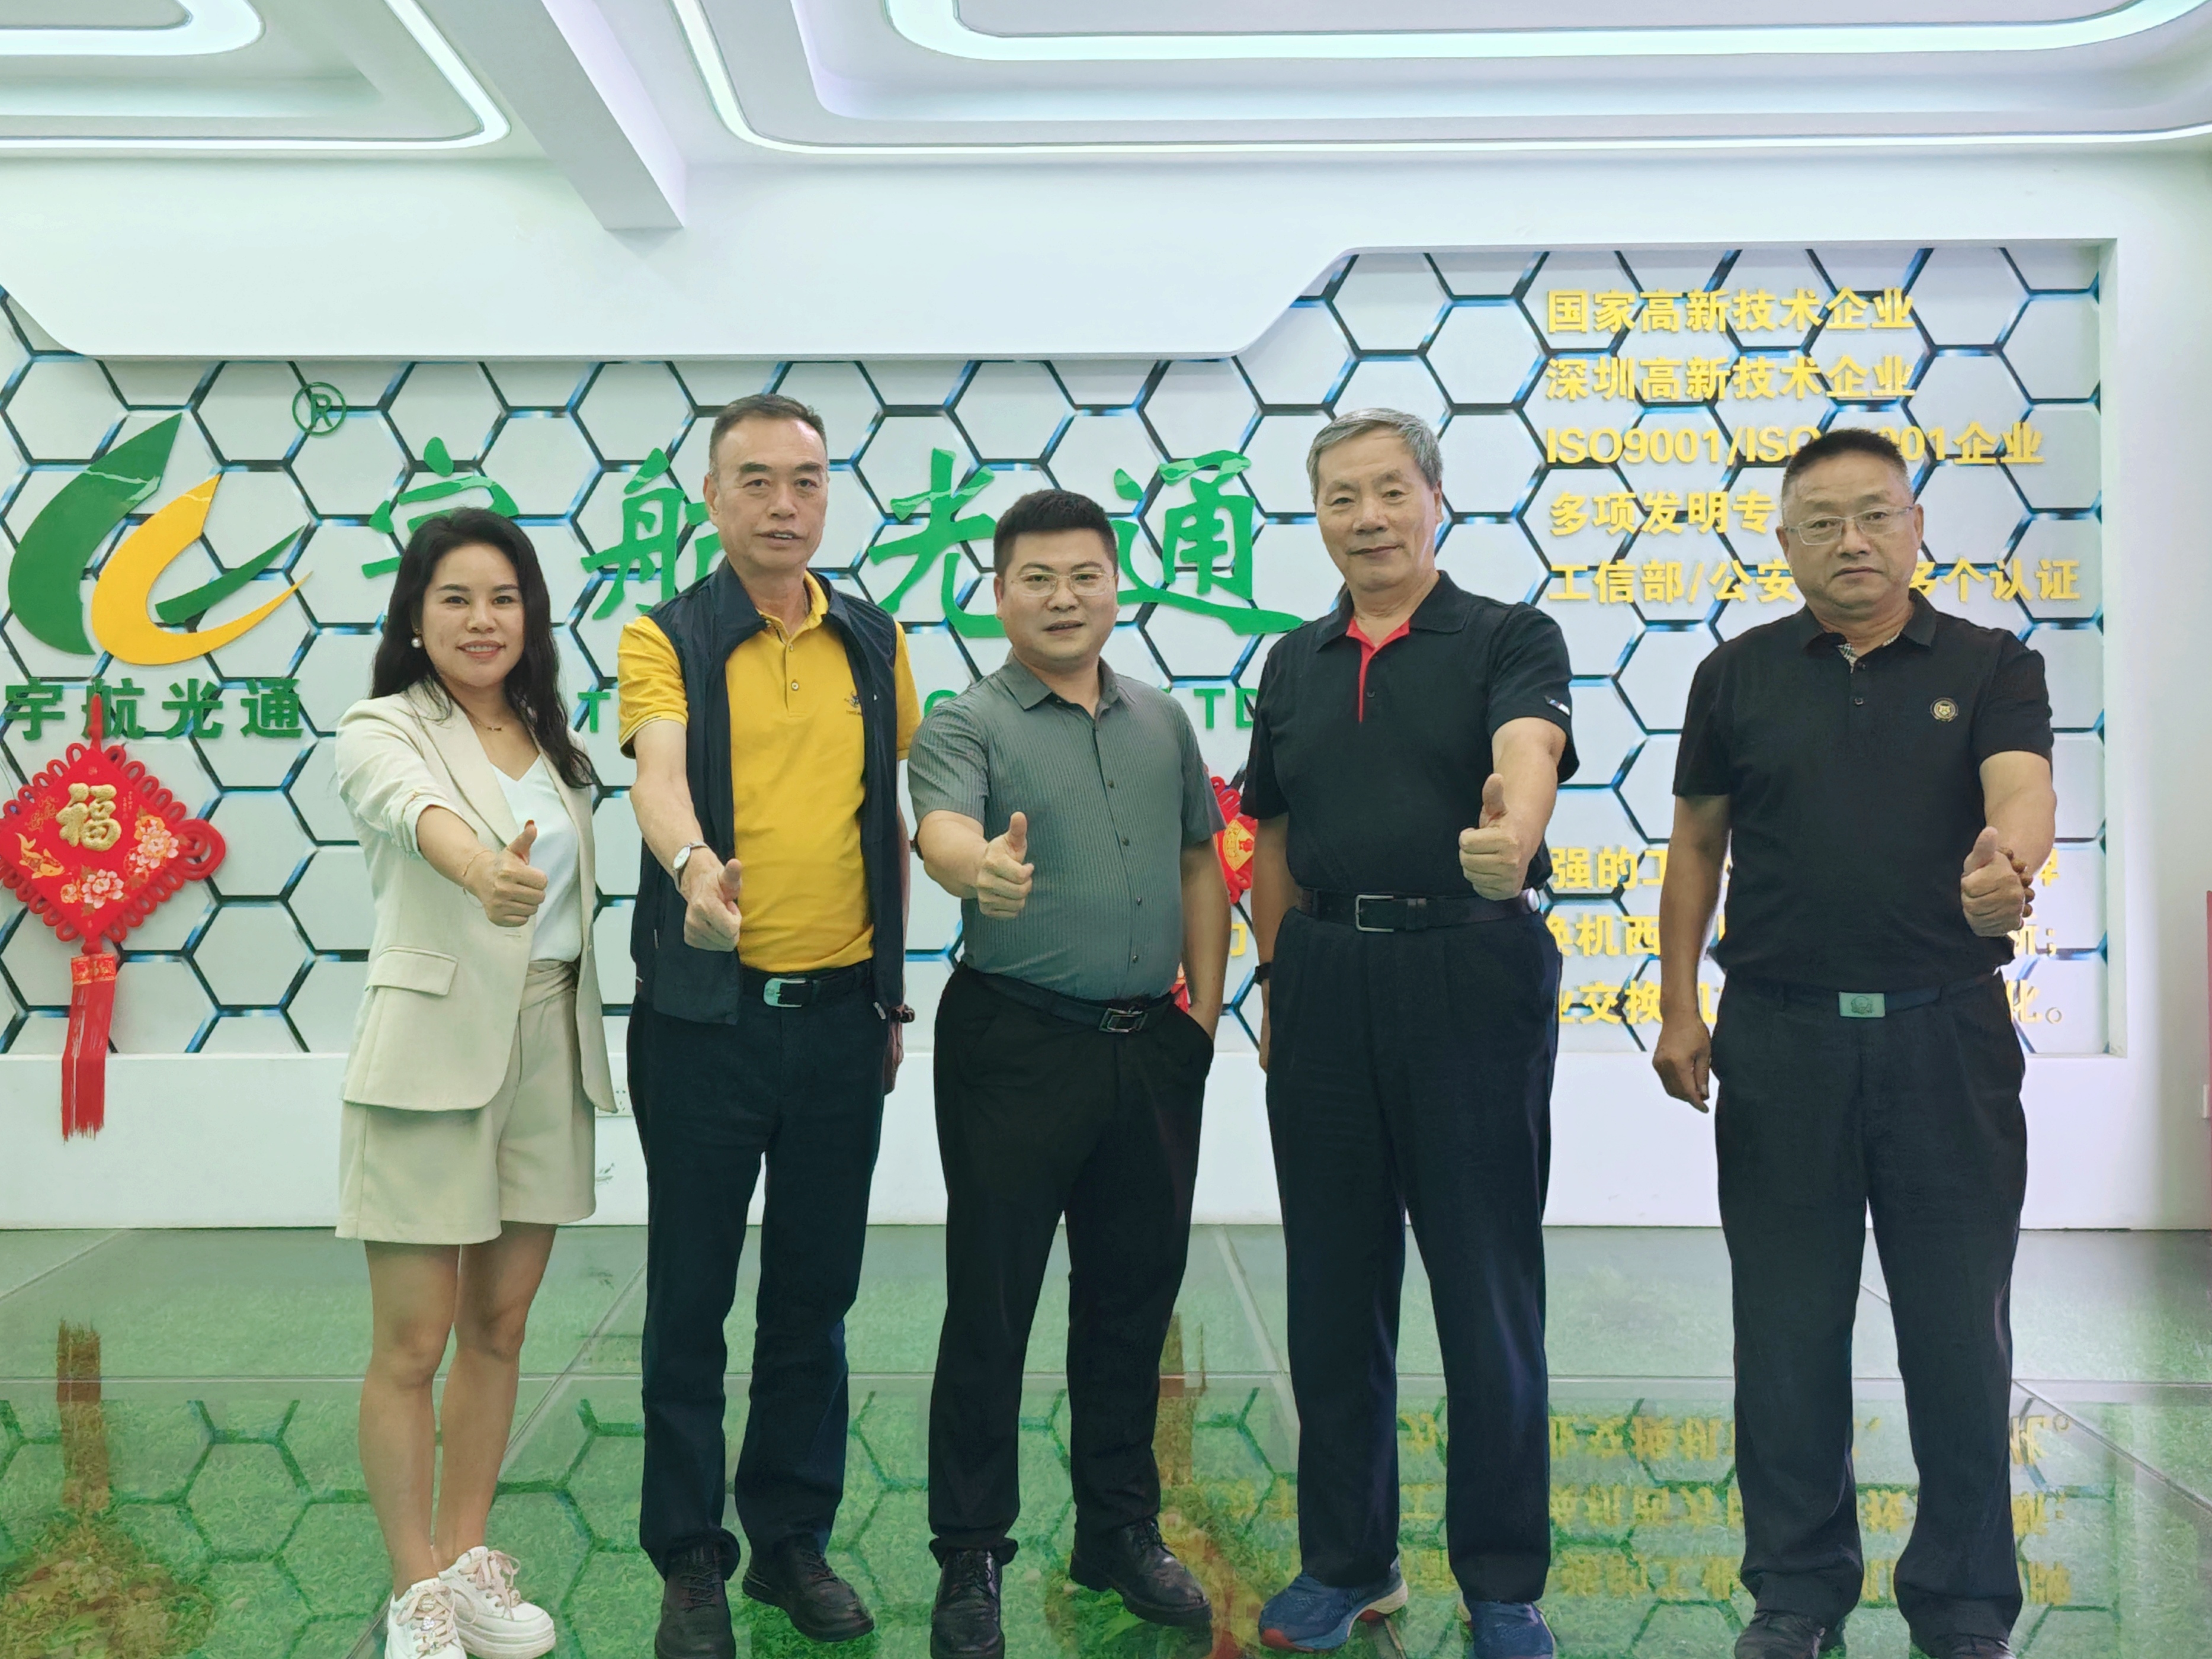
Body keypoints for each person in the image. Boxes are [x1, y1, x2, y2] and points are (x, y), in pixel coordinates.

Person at [1652, 427, 2055, 1659]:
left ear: (1916, 525)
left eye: (1875, 514)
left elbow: (2022, 789)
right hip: (1781, 1041)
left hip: (1945, 1039)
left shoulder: (1992, 662)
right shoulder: (1734, 675)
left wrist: (2007, 863)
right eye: (1821, 522)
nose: (1852, 542)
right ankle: (1796, 1591)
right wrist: (1678, 1005)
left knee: (1957, 1332)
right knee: (1784, 1331)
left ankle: (1964, 1604)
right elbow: (1696, 844)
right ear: (1784, 544)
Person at [1242, 409, 1573, 1659]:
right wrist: (1275, 979)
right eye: (1342, 497)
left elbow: (1528, 747)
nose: (1368, 517)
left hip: (1470, 967)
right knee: (1333, 1289)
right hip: (1325, 976)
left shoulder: (1506, 635)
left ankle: (1502, 1581)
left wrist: (1512, 836)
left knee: (1486, 1288)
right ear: (1317, 517)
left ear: (1437, 499)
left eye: (1390, 490)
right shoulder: (1295, 661)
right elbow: (1271, 830)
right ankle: (1347, 1562)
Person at [617, 392, 921, 1659]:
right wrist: (694, 868)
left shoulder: (873, 639)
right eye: (755, 480)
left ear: (828, 493)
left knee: (813, 1297)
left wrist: (891, 994)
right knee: (691, 1297)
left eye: (805, 480)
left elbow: (887, 811)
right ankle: (691, 1556)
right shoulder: (665, 635)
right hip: (706, 1024)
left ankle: (792, 1540)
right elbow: (658, 771)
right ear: (710, 496)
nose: (782, 505)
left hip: (841, 1021)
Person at [908, 488, 1231, 1659]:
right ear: (999, 594)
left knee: (1132, 1302)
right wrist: (976, 870)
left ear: (1114, 586)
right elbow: (940, 831)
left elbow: (1199, 862)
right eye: (1036, 579)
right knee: (991, 1303)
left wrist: (1202, 1021)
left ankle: (1118, 1530)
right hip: (1016, 1042)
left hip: (1152, 1047)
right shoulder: (965, 723)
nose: (1062, 597)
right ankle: (970, 1551)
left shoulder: (1161, 721)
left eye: (1084, 575)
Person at [334, 507, 614, 1659]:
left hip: (549, 1039)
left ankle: (463, 1562)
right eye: (455, 597)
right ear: (415, 615)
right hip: (433, 1048)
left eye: (504, 598)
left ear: (531, 616)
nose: (482, 619)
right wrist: (480, 872)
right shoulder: (382, 725)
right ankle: (415, 1592)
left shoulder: (550, 736)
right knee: (413, 1340)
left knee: (499, 1325)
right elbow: (416, 812)